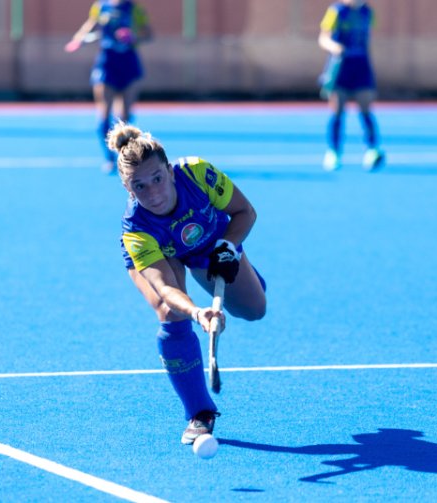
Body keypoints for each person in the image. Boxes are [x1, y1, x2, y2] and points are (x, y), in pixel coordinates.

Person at [108, 122, 267, 445]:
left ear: (169, 170)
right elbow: (166, 289)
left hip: (210, 243)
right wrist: (198, 313)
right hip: (161, 257)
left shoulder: (196, 173)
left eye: (157, 179)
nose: (153, 193)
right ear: (128, 189)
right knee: (171, 312)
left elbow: (244, 212)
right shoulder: (136, 229)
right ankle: (199, 412)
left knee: (254, 310)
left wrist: (228, 246)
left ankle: (240, 274)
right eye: (139, 186)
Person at [65, 1, 152, 174]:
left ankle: (126, 156)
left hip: (128, 63)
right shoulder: (101, 6)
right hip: (107, 63)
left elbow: (148, 34)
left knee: (125, 116)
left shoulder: (134, 9)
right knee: (104, 114)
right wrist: (79, 39)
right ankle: (108, 157)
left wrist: (133, 37)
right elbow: (90, 25)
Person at [318, 0, 385, 172]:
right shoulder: (336, 11)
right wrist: (335, 47)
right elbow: (323, 38)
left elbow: (367, 41)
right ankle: (333, 152)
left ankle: (372, 149)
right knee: (338, 109)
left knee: (366, 109)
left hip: (361, 66)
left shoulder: (367, 12)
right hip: (341, 65)